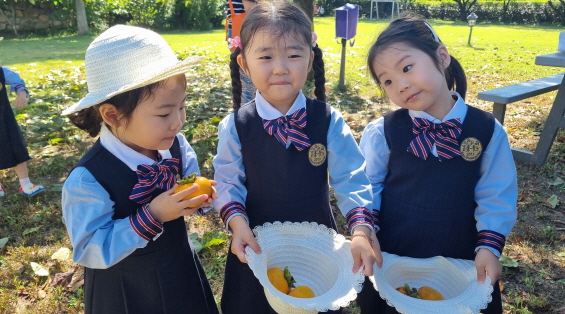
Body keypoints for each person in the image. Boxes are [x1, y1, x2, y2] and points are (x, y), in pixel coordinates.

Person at [214, 2, 383, 313]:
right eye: (265, 56)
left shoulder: (328, 120)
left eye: (293, 55)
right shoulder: (235, 126)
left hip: (316, 247)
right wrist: (237, 224)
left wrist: (360, 230)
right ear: (245, 64)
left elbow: (351, 177)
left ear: (310, 59)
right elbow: (226, 182)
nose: (280, 67)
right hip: (256, 246)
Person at [357, 15, 517, 314]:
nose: (401, 85)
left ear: (442, 57)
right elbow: (368, 185)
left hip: (460, 254)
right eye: (388, 81)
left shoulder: (486, 130)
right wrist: (366, 230)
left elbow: (496, 194)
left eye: (407, 68)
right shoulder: (382, 132)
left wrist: (489, 247)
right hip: (394, 252)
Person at [61, 25, 219, 314]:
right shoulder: (88, 179)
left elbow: (192, 184)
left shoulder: (176, 145)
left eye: (182, 107)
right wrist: (153, 215)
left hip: (177, 270)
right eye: (163, 113)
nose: (178, 122)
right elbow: (90, 247)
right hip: (125, 290)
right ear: (112, 114)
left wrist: (198, 200)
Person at [0, 63, 44, 197]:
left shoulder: (2, 71)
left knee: (16, 147)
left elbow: (18, 83)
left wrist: (22, 94)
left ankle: (26, 184)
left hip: (4, 119)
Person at [226, 0, 262, 105]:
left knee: (244, 78)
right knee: (250, 81)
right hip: (248, 34)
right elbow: (251, 10)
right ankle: (250, 111)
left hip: (237, 34)